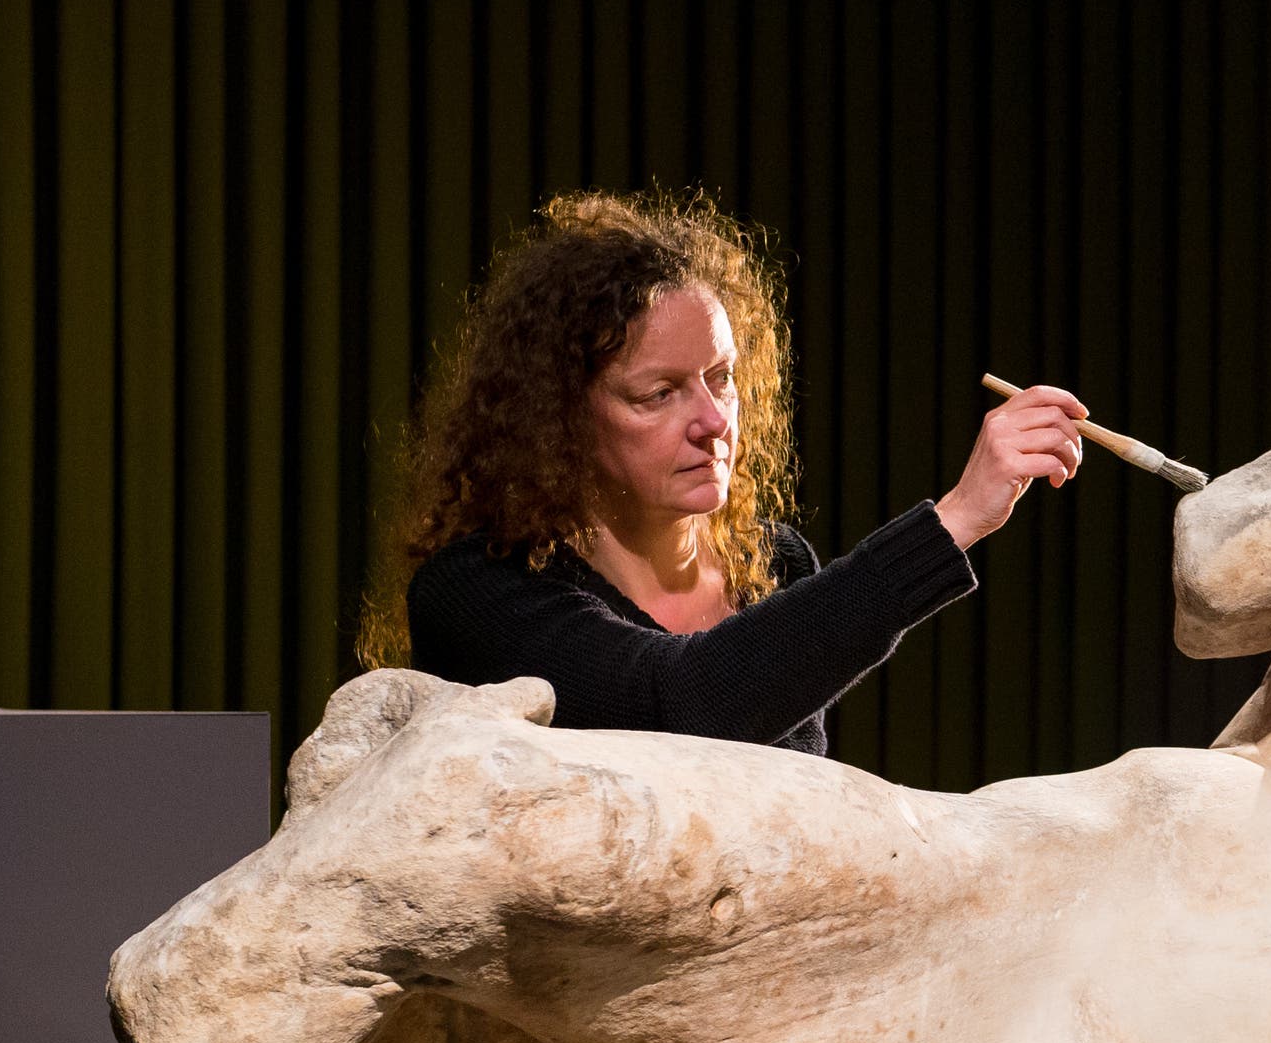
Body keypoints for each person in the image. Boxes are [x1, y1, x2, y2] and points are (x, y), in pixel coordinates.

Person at [357, 189, 1087, 754]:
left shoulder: (772, 562)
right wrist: (953, 522)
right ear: (560, 419)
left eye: (722, 377)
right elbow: (680, 706)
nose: (713, 421)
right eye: (659, 394)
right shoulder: (478, 587)